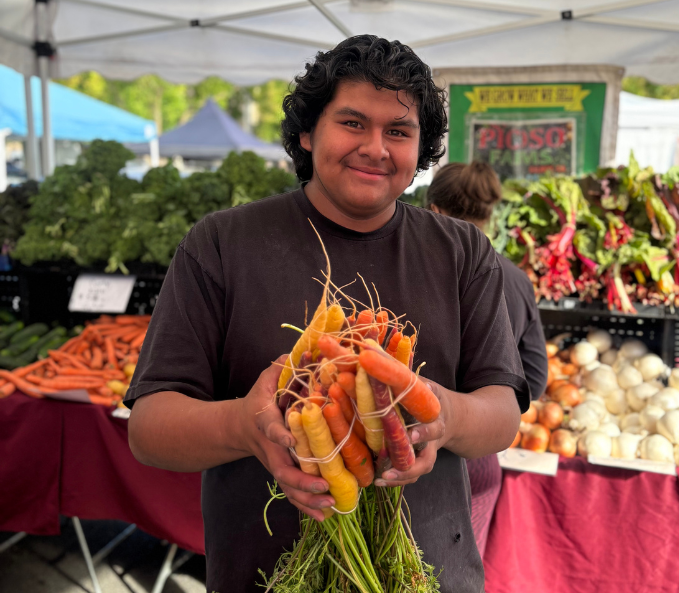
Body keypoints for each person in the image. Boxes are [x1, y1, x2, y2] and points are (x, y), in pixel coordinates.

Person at [125, 35, 527, 593]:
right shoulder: (221, 244)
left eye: (399, 132)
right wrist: (244, 426)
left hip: (429, 572)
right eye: (353, 123)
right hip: (264, 574)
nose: (376, 148)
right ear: (308, 133)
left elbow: (503, 412)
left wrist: (443, 419)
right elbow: (149, 429)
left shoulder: (463, 252)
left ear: (421, 149)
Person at [427, 161, 548, 557]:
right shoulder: (514, 279)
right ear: (489, 215)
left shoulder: (417, 274)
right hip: (479, 455)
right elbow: (533, 377)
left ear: (434, 211)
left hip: (410, 454)